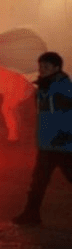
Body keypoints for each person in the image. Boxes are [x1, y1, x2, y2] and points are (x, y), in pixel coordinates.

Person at [12, 51, 72, 226]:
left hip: (64, 145)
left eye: (46, 67)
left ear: (56, 68)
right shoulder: (42, 89)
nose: (41, 70)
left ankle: (31, 215)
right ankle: (31, 215)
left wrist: (66, 134)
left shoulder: (64, 88)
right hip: (47, 145)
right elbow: (41, 116)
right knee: (38, 182)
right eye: (40, 66)